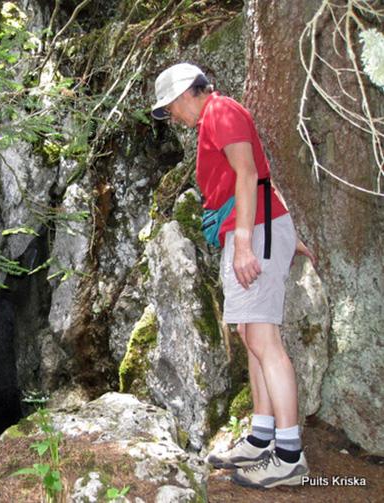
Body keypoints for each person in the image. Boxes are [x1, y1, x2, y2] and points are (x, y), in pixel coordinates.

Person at [150, 63, 316, 489]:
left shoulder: (220, 111)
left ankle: (289, 456)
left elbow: (247, 173)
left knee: (264, 340)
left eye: (170, 108)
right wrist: (284, 233)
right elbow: (260, 175)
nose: (173, 118)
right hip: (260, 227)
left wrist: (248, 241)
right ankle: (262, 438)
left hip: (253, 231)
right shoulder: (217, 118)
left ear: (188, 93)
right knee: (249, 334)